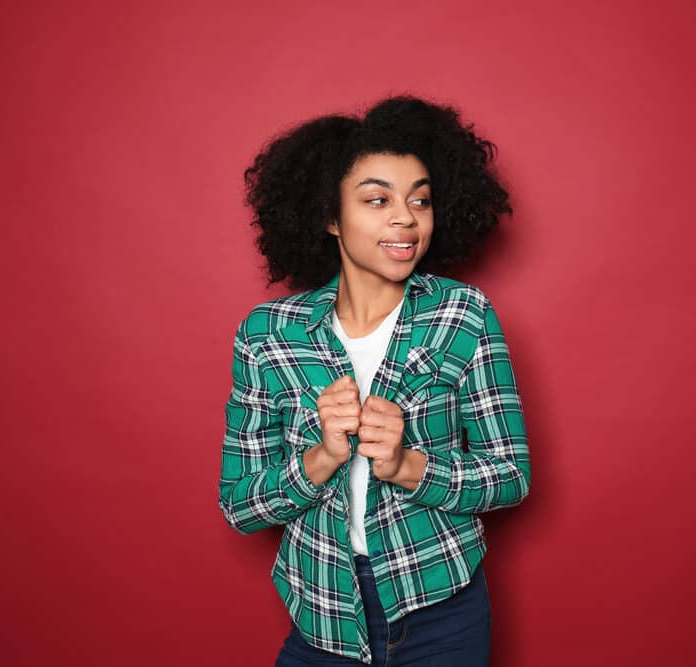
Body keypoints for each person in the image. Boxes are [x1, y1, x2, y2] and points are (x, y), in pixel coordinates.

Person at [218, 94, 530, 666]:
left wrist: (406, 465)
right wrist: (320, 458)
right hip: (323, 616)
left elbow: (511, 476)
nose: (405, 218)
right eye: (377, 199)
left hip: (442, 610)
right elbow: (239, 506)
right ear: (330, 217)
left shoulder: (462, 316)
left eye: (421, 200)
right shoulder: (268, 335)